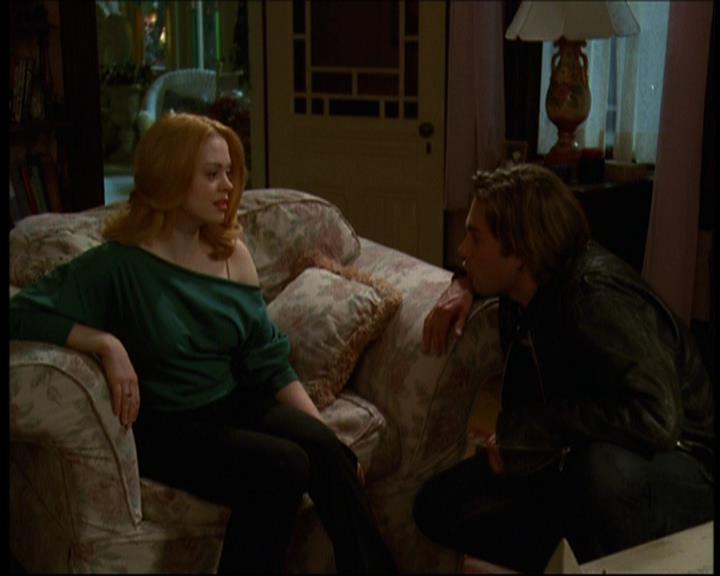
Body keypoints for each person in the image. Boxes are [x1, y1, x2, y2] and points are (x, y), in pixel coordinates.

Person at [9, 113, 396, 574]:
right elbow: (20, 311)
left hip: (230, 401)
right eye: (212, 174)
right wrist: (105, 343)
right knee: (284, 466)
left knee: (332, 454)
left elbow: (267, 361)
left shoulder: (232, 253)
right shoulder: (117, 265)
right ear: (170, 178)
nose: (227, 186)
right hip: (167, 425)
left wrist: (324, 437)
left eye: (230, 172)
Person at [413, 164, 714, 572]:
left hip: (680, 462)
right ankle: (571, 552)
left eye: (475, 236)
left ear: (521, 250)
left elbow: (657, 418)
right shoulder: (521, 289)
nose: (462, 249)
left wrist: (532, 434)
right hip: (570, 454)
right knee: (437, 505)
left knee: (600, 472)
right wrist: (463, 283)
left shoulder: (594, 298)